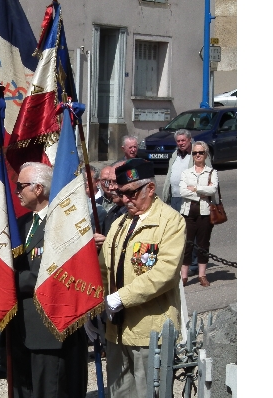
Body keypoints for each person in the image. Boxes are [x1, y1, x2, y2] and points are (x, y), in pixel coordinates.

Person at [99, 159, 186, 398]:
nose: (126, 199)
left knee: (148, 393)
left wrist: (120, 298)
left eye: (131, 193)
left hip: (150, 331)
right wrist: (95, 301)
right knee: (120, 394)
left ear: (150, 188)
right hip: (116, 330)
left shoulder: (170, 221)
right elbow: (104, 269)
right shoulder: (119, 223)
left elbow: (164, 273)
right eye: (122, 193)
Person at [11, 161, 88, 398]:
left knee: (49, 390)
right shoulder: (21, 224)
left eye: (20, 186)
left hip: (48, 328)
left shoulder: (62, 224)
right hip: (21, 326)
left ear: (38, 189)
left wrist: (8, 282)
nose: (17, 192)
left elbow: (49, 274)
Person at [178, 141, 218, 287]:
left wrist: (194, 188)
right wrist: (201, 191)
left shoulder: (211, 172)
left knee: (202, 244)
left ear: (206, 154)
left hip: (205, 212)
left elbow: (212, 190)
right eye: (195, 153)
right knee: (187, 244)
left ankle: (202, 275)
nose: (198, 155)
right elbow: (182, 191)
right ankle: (184, 276)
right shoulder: (186, 172)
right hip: (188, 212)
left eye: (201, 152)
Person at [159, 130, 211, 211]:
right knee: (176, 222)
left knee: (188, 223)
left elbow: (209, 173)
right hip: (174, 196)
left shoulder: (198, 153)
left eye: (183, 140)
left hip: (191, 198)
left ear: (189, 139)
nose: (181, 143)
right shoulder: (175, 154)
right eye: (178, 141)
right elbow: (169, 174)